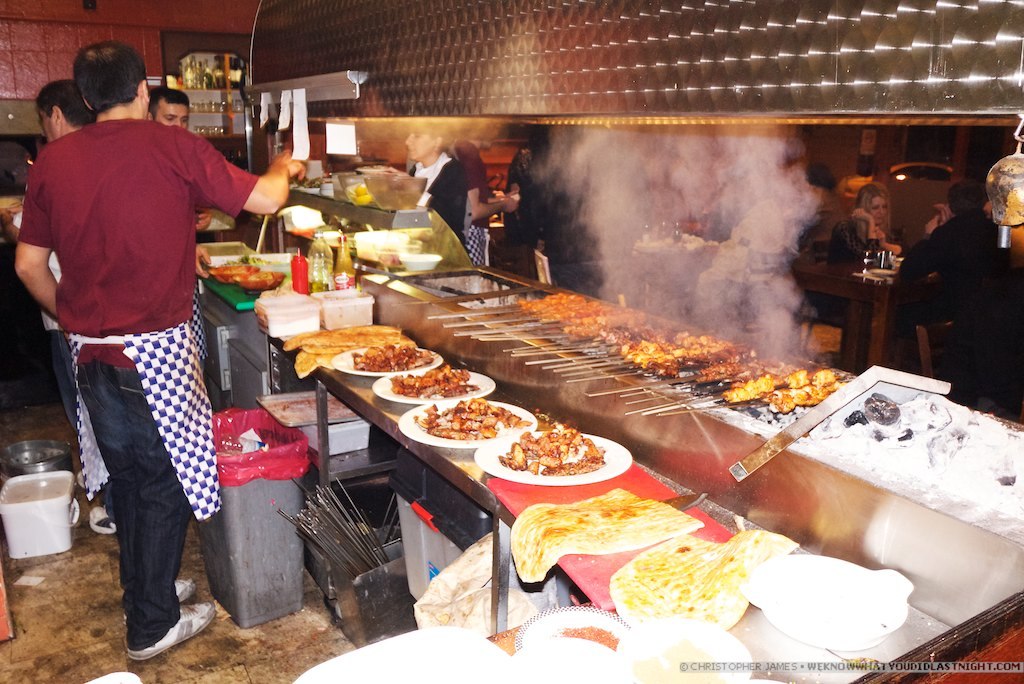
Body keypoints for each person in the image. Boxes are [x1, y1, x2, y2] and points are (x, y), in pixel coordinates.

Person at [15, 41, 303, 661]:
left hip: (90, 355)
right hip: (155, 354)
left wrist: (75, 318)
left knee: (130, 481)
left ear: (86, 97)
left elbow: (28, 264)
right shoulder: (171, 145)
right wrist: (284, 163)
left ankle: (148, 593)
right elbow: (267, 199)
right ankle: (151, 625)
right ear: (143, 91)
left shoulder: (53, 162)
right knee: (164, 481)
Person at [3, 81, 116, 534]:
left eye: (42, 120)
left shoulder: (53, 164)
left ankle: (111, 502)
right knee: (113, 409)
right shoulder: (109, 156)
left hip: (69, 317)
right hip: (115, 316)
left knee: (89, 411)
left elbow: (30, 259)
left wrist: (10, 224)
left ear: (54, 114)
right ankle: (114, 494)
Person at [898, 179, 1006, 330]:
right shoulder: (998, 232)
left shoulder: (948, 233)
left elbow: (908, 271)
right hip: (993, 316)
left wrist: (929, 235)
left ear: (949, 206)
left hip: (955, 317)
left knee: (898, 314)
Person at [452, 139, 519, 265]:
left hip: (458, 233)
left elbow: (469, 200)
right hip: (470, 233)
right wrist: (503, 205)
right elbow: (473, 211)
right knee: (475, 276)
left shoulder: (457, 149)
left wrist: (501, 199)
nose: (495, 135)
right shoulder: (469, 153)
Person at [405, 129, 471, 250]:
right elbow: (409, 216)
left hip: (445, 250)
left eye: (417, 136)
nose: (408, 141)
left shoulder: (453, 170)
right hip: (419, 248)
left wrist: (410, 188)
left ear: (437, 141)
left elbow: (444, 219)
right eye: (409, 136)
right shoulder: (416, 170)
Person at [827, 182, 902, 264]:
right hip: (843, 272)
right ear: (863, 209)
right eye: (875, 208)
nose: (881, 212)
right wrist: (870, 221)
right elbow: (868, 260)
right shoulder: (845, 228)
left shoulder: (880, 230)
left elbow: (900, 253)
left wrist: (884, 245)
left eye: (884, 207)